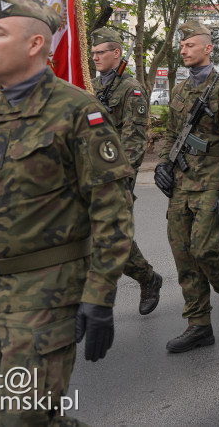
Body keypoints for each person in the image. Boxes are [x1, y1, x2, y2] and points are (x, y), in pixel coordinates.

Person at [0, 0, 134, 427]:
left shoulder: (78, 112)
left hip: (46, 293)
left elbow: (113, 213)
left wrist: (100, 297)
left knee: (22, 419)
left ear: (34, 45)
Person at [153, 21, 219, 353]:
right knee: (183, 255)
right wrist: (164, 163)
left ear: (208, 49)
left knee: (205, 250)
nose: (183, 50)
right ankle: (198, 325)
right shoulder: (180, 91)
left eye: (190, 45)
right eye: (181, 46)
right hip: (183, 184)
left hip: (214, 181)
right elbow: (171, 134)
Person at [90, 28, 162, 315]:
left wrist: (122, 176)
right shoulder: (91, 86)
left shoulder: (130, 89)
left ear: (116, 53)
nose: (94, 57)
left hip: (114, 175)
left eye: (100, 53)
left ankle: (147, 277)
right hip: (88, 173)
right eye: (93, 53)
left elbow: (134, 140)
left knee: (114, 239)